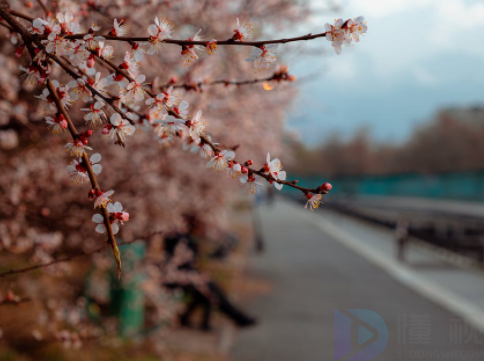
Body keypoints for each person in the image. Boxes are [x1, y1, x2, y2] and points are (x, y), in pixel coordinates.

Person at [162, 215, 257, 331]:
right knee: (209, 289)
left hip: (186, 276)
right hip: (174, 277)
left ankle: (192, 319)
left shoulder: (183, 237)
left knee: (210, 289)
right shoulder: (178, 237)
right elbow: (179, 262)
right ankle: (236, 317)